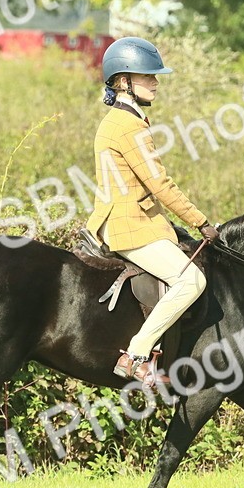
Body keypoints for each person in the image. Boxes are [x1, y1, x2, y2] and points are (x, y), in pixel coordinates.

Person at [84, 37, 220, 389]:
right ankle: (136, 354)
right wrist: (201, 222)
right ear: (124, 80)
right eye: (148, 76)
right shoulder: (128, 126)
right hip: (129, 226)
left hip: (137, 220)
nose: (156, 82)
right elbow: (160, 184)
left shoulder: (125, 119)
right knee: (192, 280)